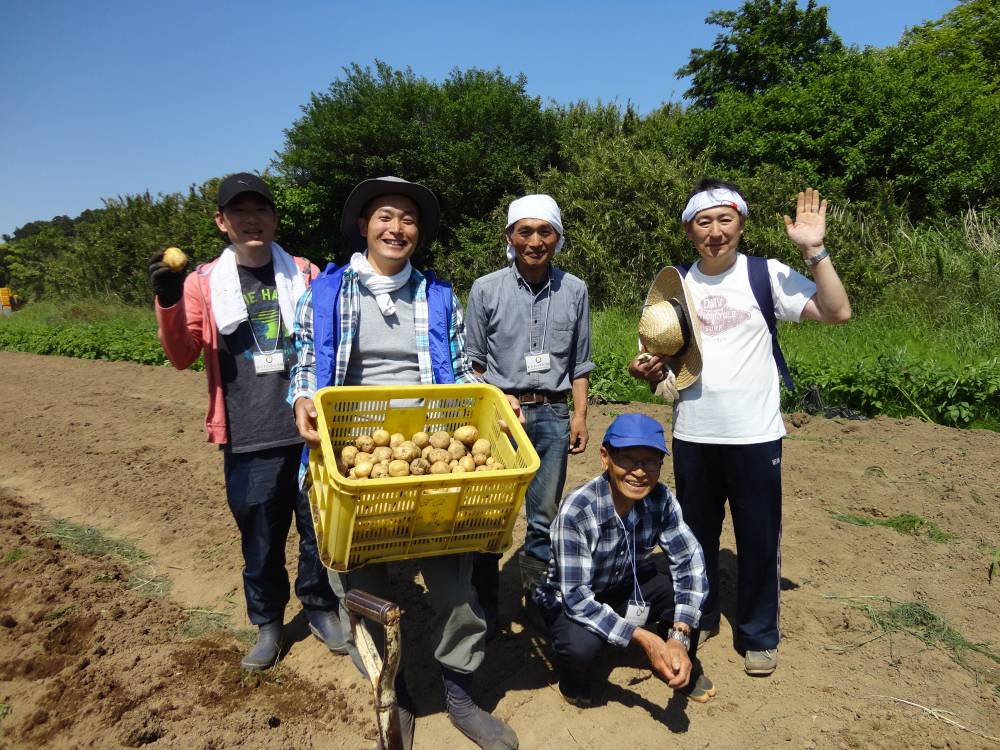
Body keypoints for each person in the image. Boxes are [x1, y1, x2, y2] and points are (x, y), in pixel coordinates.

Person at [289, 176, 518, 750]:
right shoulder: (326, 292)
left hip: (428, 455)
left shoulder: (437, 293)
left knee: (454, 587)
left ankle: (460, 695)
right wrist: (300, 397)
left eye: (409, 220)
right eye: (386, 217)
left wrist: (492, 394)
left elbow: (460, 363)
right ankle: (393, 695)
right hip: (353, 458)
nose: (398, 229)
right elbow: (301, 358)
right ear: (364, 226)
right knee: (363, 587)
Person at [629, 180, 851, 677]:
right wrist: (647, 369)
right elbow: (666, 361)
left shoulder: (765, 275)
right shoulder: (676, 286)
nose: (715, 232)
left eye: (724, 220)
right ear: (689, 231)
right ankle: (700, 616)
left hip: (755, 435)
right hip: (693, 434)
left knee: (757, 537)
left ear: (741, 223)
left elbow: (838, 312)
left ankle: (757, 634)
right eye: (703, 223)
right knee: (694, 538)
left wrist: (815, 251)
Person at [149, 172, 344, 671]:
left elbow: (332, 336)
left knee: (318, 529)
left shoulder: (305, 273)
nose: (251, 219)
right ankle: (269, 623)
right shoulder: (201, 283)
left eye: (261, 210)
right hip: (247, 431)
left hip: (309, 431)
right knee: (259, 535)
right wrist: (169, 300)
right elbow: (181, 353)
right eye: (239, 212)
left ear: (275, 219)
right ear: (222, 222)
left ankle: (320, 607)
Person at [465, 194, 594, 631]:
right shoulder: (486, 289)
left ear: (558, 238)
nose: (535, 241)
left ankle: (538, 599)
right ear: (510, 237)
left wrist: (579, 415)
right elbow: (473, 363)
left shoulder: (575, 290)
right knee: (489, 515)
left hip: (554, 417)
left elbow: (580, 362)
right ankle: (486, 606)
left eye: (545, 232)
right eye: (525, 232)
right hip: (500, 419)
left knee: (543, 517)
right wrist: (497, 401)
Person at [534, 413, 711, 707]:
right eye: (628, 460)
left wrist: (680, 633)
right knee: (580, 646)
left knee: (682, 595)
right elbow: (577, 597)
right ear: (605, 458)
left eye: (650, 462)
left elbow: (688, 559)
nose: (639, 472)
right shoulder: (577, 511)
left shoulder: (661, 499)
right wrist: (643, 637)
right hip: (569, 595)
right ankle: (572, 682)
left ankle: (678, 663)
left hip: (624, 582)